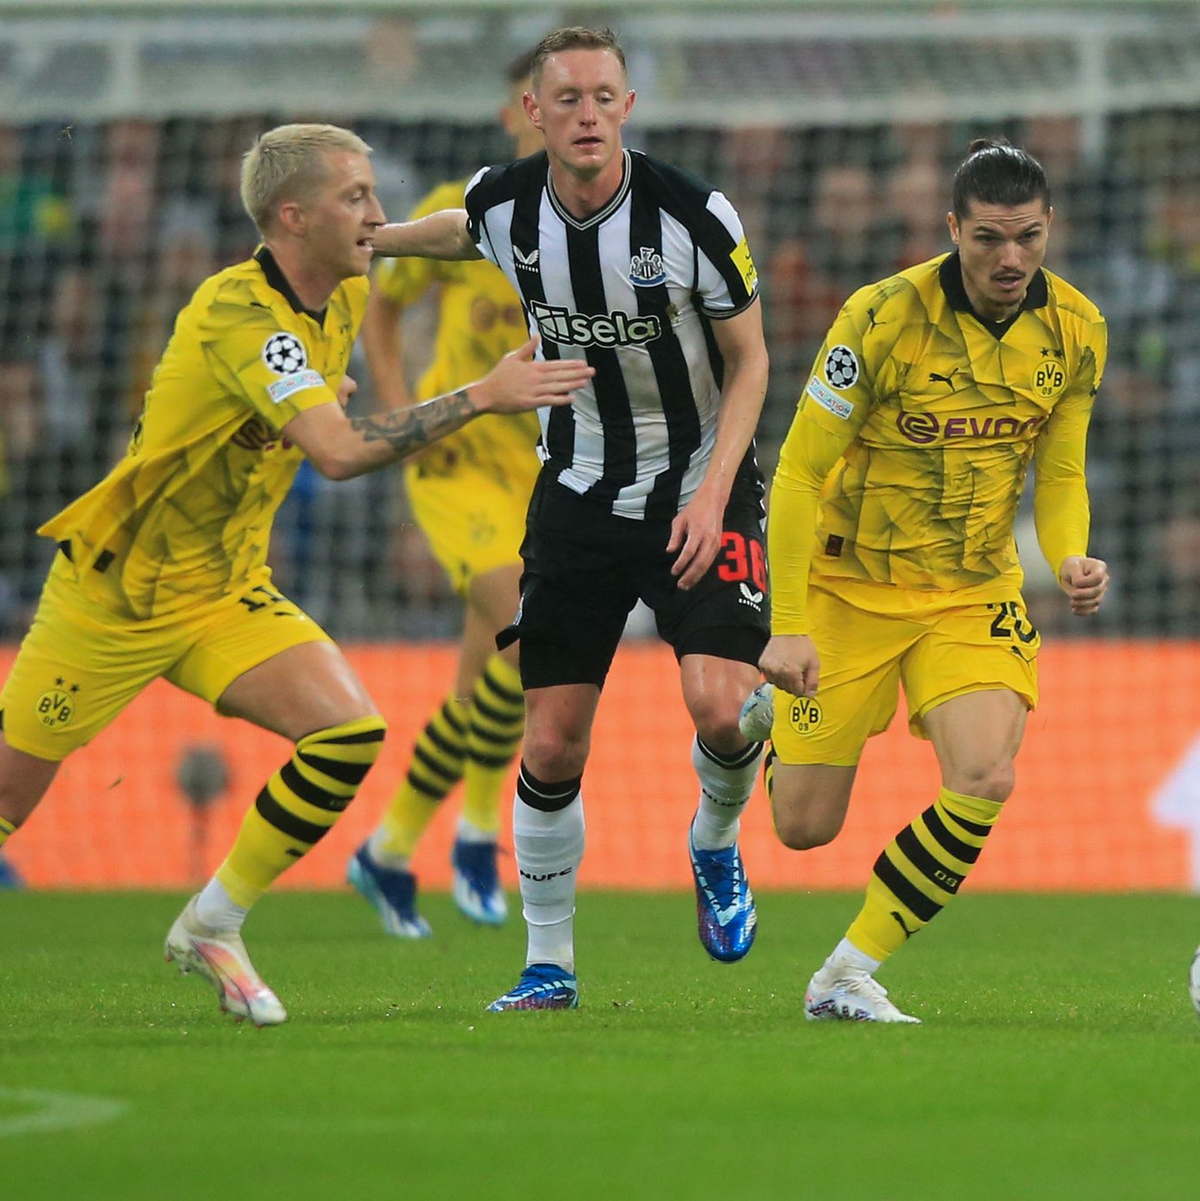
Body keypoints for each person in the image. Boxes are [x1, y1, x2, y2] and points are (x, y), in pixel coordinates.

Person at [0, 123, 592, 1026]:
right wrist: (480, 393)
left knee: (348, 732)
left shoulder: (343, 296)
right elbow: (342, 455)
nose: (376, 214)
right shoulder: (239, 312)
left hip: (226, 589)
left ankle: (215, 921)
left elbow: (318, 403)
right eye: (354, 198)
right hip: (115, 596)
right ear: (292, 215)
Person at [371, 26, 772, 1010]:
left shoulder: (693, 215)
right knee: (550, 744)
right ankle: (548, 963)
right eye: (569, 98)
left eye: (604, 96)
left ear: (627, 109)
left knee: (724, 709)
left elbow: (753, 360)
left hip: (697, 484)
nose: (588, 113)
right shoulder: (503, 205)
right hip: (578, 491)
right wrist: (363, 241)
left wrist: (717, 490)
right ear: (533, 113)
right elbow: (446, 231)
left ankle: (713, 843)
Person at [748, 138, 1109, 1023]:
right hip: (847, 587)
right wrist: (786, 623)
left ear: (1050, 227)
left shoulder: (1077, 331)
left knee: (985, 773)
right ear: (952, 229)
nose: (1010, 258)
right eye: (988, 237)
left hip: (971, 589)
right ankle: (750, 738)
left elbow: (1060, 474)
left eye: (1027, 236)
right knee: (803, 825)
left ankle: (846, 972)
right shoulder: (880, 319)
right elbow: (795, 474)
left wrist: (1068, 555)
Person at [349, 49, 545, 937]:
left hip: (544, 472)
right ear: (514, 115)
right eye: (539, 102)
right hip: (458, 455)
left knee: (488, 677)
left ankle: (389, 847)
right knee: (520, 615)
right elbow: (381, 309)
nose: (557, 116)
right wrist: (402, 415)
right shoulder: (471, 211)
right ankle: (475, 833)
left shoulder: (611, 223)